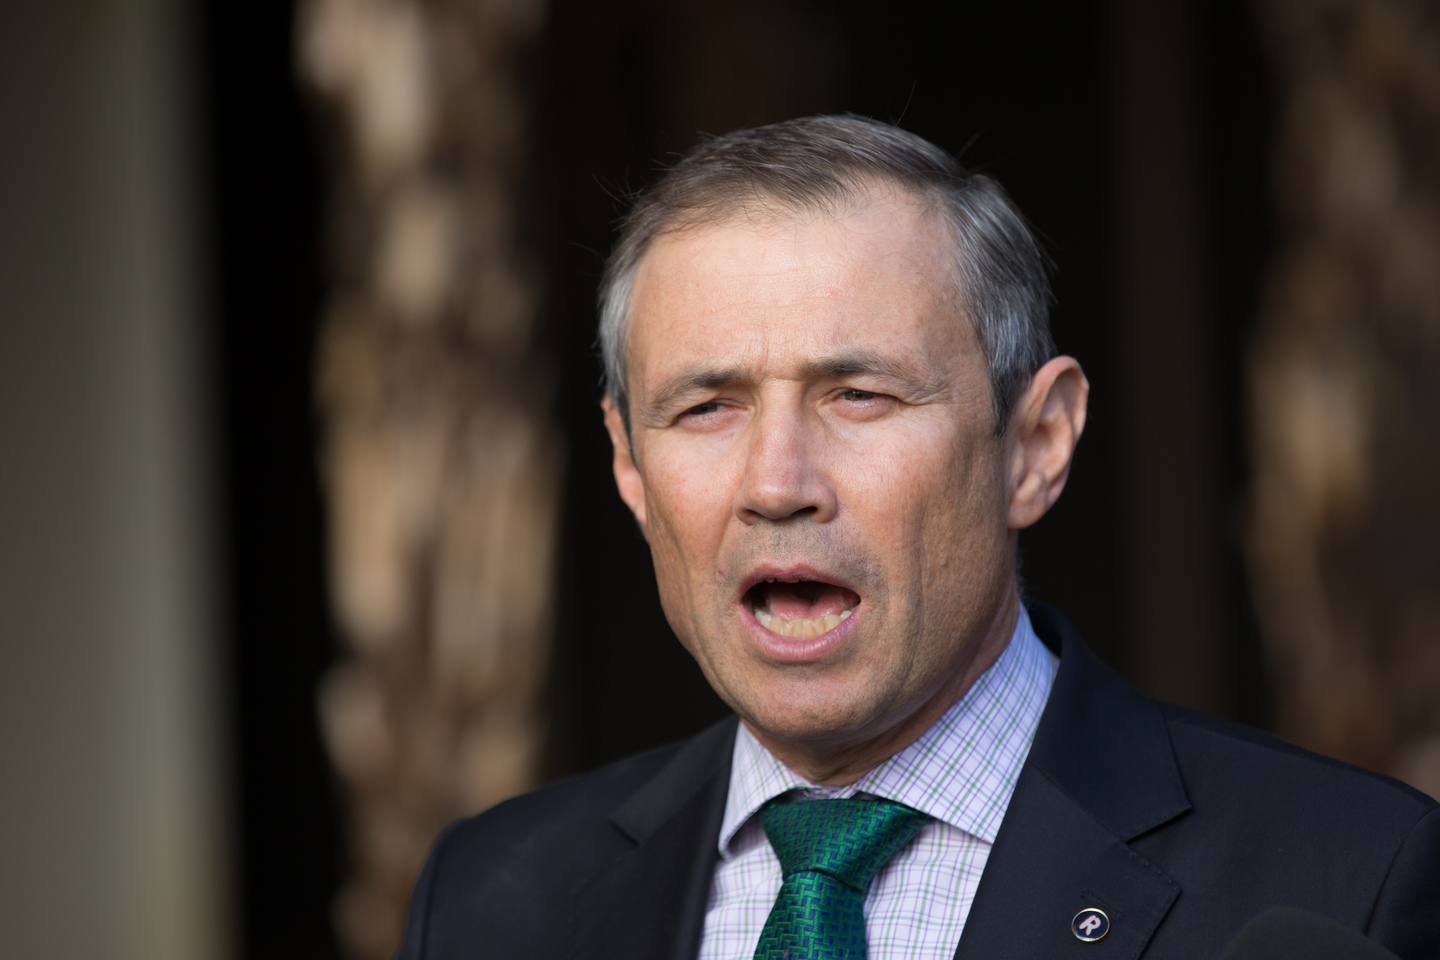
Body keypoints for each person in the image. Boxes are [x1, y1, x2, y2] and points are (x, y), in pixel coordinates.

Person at [394, 116, 1439, 960]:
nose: (776, 484)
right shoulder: (490, 901)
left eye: (859, 395)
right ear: (629, 465)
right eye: (707, 407)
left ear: (1036, 445)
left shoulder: (1347, 882)